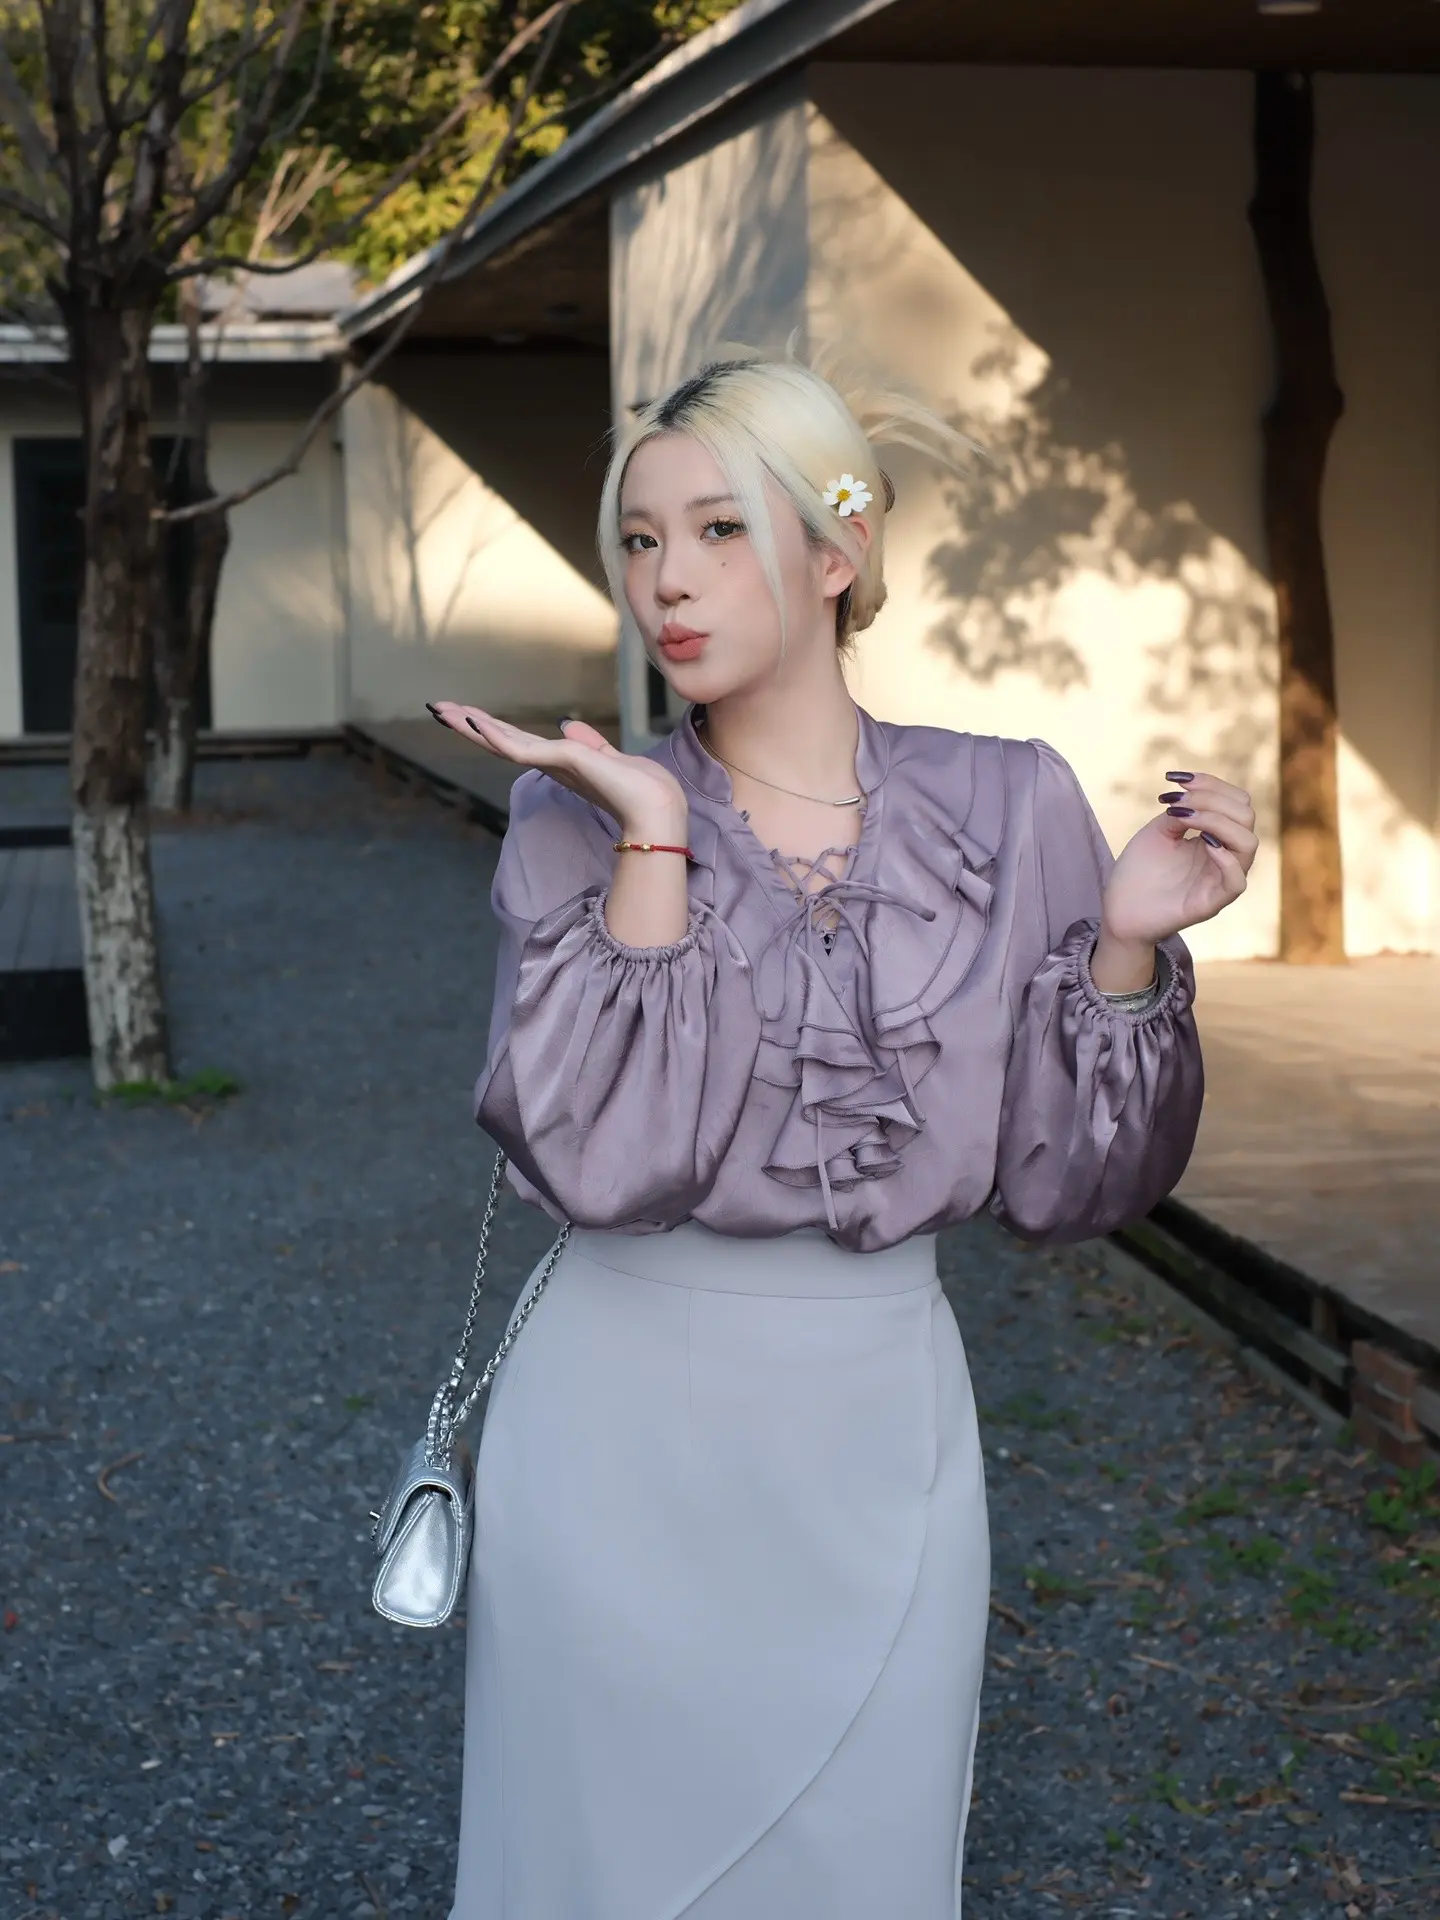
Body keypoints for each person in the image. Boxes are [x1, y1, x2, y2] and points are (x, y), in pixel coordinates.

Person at [426, 348, 1255, 1919]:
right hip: (617, 1433)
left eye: (718, 529)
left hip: (880, 1425)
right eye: (641, 539)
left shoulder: (1010, 804)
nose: (668, 580)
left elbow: (1070, 1187)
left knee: (864, 1860)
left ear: (837, 551)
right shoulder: (571, 808)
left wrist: (1127, 946)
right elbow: (601, 1166)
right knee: (606, 1868)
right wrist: (654, 837)